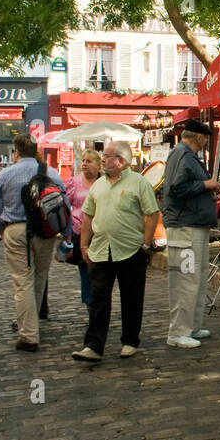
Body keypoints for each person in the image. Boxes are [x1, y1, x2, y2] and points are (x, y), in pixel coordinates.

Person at [71, 141, 159, 362]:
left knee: (132, 297)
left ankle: (130, 341)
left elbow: (152, 213)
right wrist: (84, 244)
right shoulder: (99, 185)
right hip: (101, 250)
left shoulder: (139, 183)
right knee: (98, 298)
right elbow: (88, 216)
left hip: (130, 250)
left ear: (121, 160)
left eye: (107, 156)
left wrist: (146, 244)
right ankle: (93, 345)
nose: (103, 159)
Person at [0, 134, 65, 352]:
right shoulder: (51, 173)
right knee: (40, 278)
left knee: (22, 281)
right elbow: (63, 202)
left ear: (16, 151)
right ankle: (30, 323)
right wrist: (66, 231)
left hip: (15, 229)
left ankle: (29, 334)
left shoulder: (6, 174)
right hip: (45, 231)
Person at [163, 119, 219, 348]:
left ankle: (192, 326)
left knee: (196, 278)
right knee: (185, 280)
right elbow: (177, 188)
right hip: (184, 226)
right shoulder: (182, 155)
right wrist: (206, 185)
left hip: (194, 224)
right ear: (198, 136)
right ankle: (178, 332)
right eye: (205, 138)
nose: (206, 142)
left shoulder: (186, 155)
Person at [64, 149, 103, 306]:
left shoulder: (104, 182)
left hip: (101, 234)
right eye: (83, 161)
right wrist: (67, 234)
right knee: (86, 273)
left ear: (98, 165)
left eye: (89, 161)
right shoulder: (74, 182)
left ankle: (99, 303)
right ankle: (90, 305)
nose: (85, 164)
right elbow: (65, 208)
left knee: (100, 273)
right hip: (80, 233)